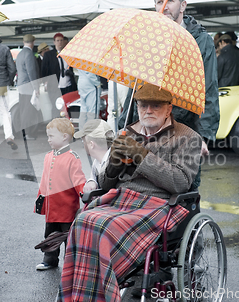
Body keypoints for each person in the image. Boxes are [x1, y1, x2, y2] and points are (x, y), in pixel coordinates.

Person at [58, 83, 202, 301]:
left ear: (169, 108)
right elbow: (105, 184)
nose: (148, 111)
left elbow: (180, 182)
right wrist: (113, 164)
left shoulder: (187, 137)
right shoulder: (127, 132)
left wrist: (142, 156)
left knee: (103, 226)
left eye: (155, 106)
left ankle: (102, 290)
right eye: (143, 105)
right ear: (136, 106)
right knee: (83, 220)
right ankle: (82, 292)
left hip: (160, 205)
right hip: (122, 200)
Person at [153, 0, 220, 186]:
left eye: (170, 1)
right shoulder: (150, 39)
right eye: (158, 2)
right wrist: (124, 128)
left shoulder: (200, 41)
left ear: (183, 5)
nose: (164, 6)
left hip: (185, 130)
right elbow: (137, 86)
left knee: (184, 192)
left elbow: (208, 91)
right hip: (152, 129)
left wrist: (203, 136)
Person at [34, 118, 86, 271]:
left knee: (68, 238)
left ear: (64, 137)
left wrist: (85, 194)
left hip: (67, 209)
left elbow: (78, 180)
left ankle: (70, 263)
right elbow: (44, 180)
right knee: (50, 236)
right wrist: (40, 200)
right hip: (52, 208)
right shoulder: (48, 156)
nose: (48, 139)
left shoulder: (72, 158)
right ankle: (50, 260)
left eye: (51, 136)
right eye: (48, 136)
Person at [74, 119, 114, 192]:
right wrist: (92, 182)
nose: (83, 144)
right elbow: (94, 177)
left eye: (84, 141)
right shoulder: (97, 161)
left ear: (91, 144)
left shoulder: (114, 163)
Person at [14, 33, 41, 139]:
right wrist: (36, 87)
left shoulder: (20, 54)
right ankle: (27, 133)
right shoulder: (29, 54)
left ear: (23, 42)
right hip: (28, 86)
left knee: (23, 109)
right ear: (33, 42)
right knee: (28, 110)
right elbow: (31, 72)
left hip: (21, 85)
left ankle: (23, 132)